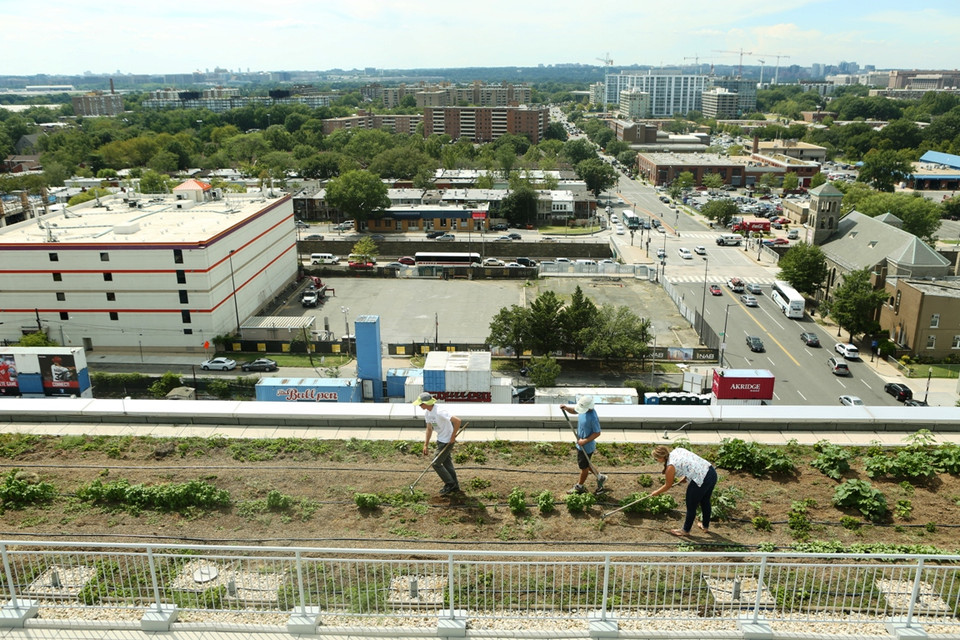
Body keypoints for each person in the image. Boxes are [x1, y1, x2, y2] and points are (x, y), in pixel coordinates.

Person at [649, 445, 717, 537]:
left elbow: (668, 485)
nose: (656, 460)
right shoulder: (677, 450)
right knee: (705, 500)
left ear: (661, 457)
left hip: (701, 479)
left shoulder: (670, 467)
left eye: (656, 459)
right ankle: (705, 526)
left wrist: (657, 492)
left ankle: (685, 530)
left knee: (691, 505)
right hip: (710, 472)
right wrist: (686, 476)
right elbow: (689, 462)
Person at [413, 392, 461, 495]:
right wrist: (426, 445)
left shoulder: (440, 411)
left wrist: (453, 436)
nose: (419, 406)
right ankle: (455, 485)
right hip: (440, 440)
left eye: (421, 404)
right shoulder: (428, 413)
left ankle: (450, 484)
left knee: (436, 463)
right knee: (447, 464)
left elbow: (457, 421)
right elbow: (429, 429)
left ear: (426, 403)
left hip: (447, 441)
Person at [559, 396, 606, 494]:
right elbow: (575, 410)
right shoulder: (583, 410)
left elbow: (597, 433)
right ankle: (600, 477)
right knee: (587, 464)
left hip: (586, 447)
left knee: (584, 468)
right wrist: (566, 408)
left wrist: (584, 441)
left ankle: (579, 486)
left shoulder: (592, 417)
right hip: (580, 444)